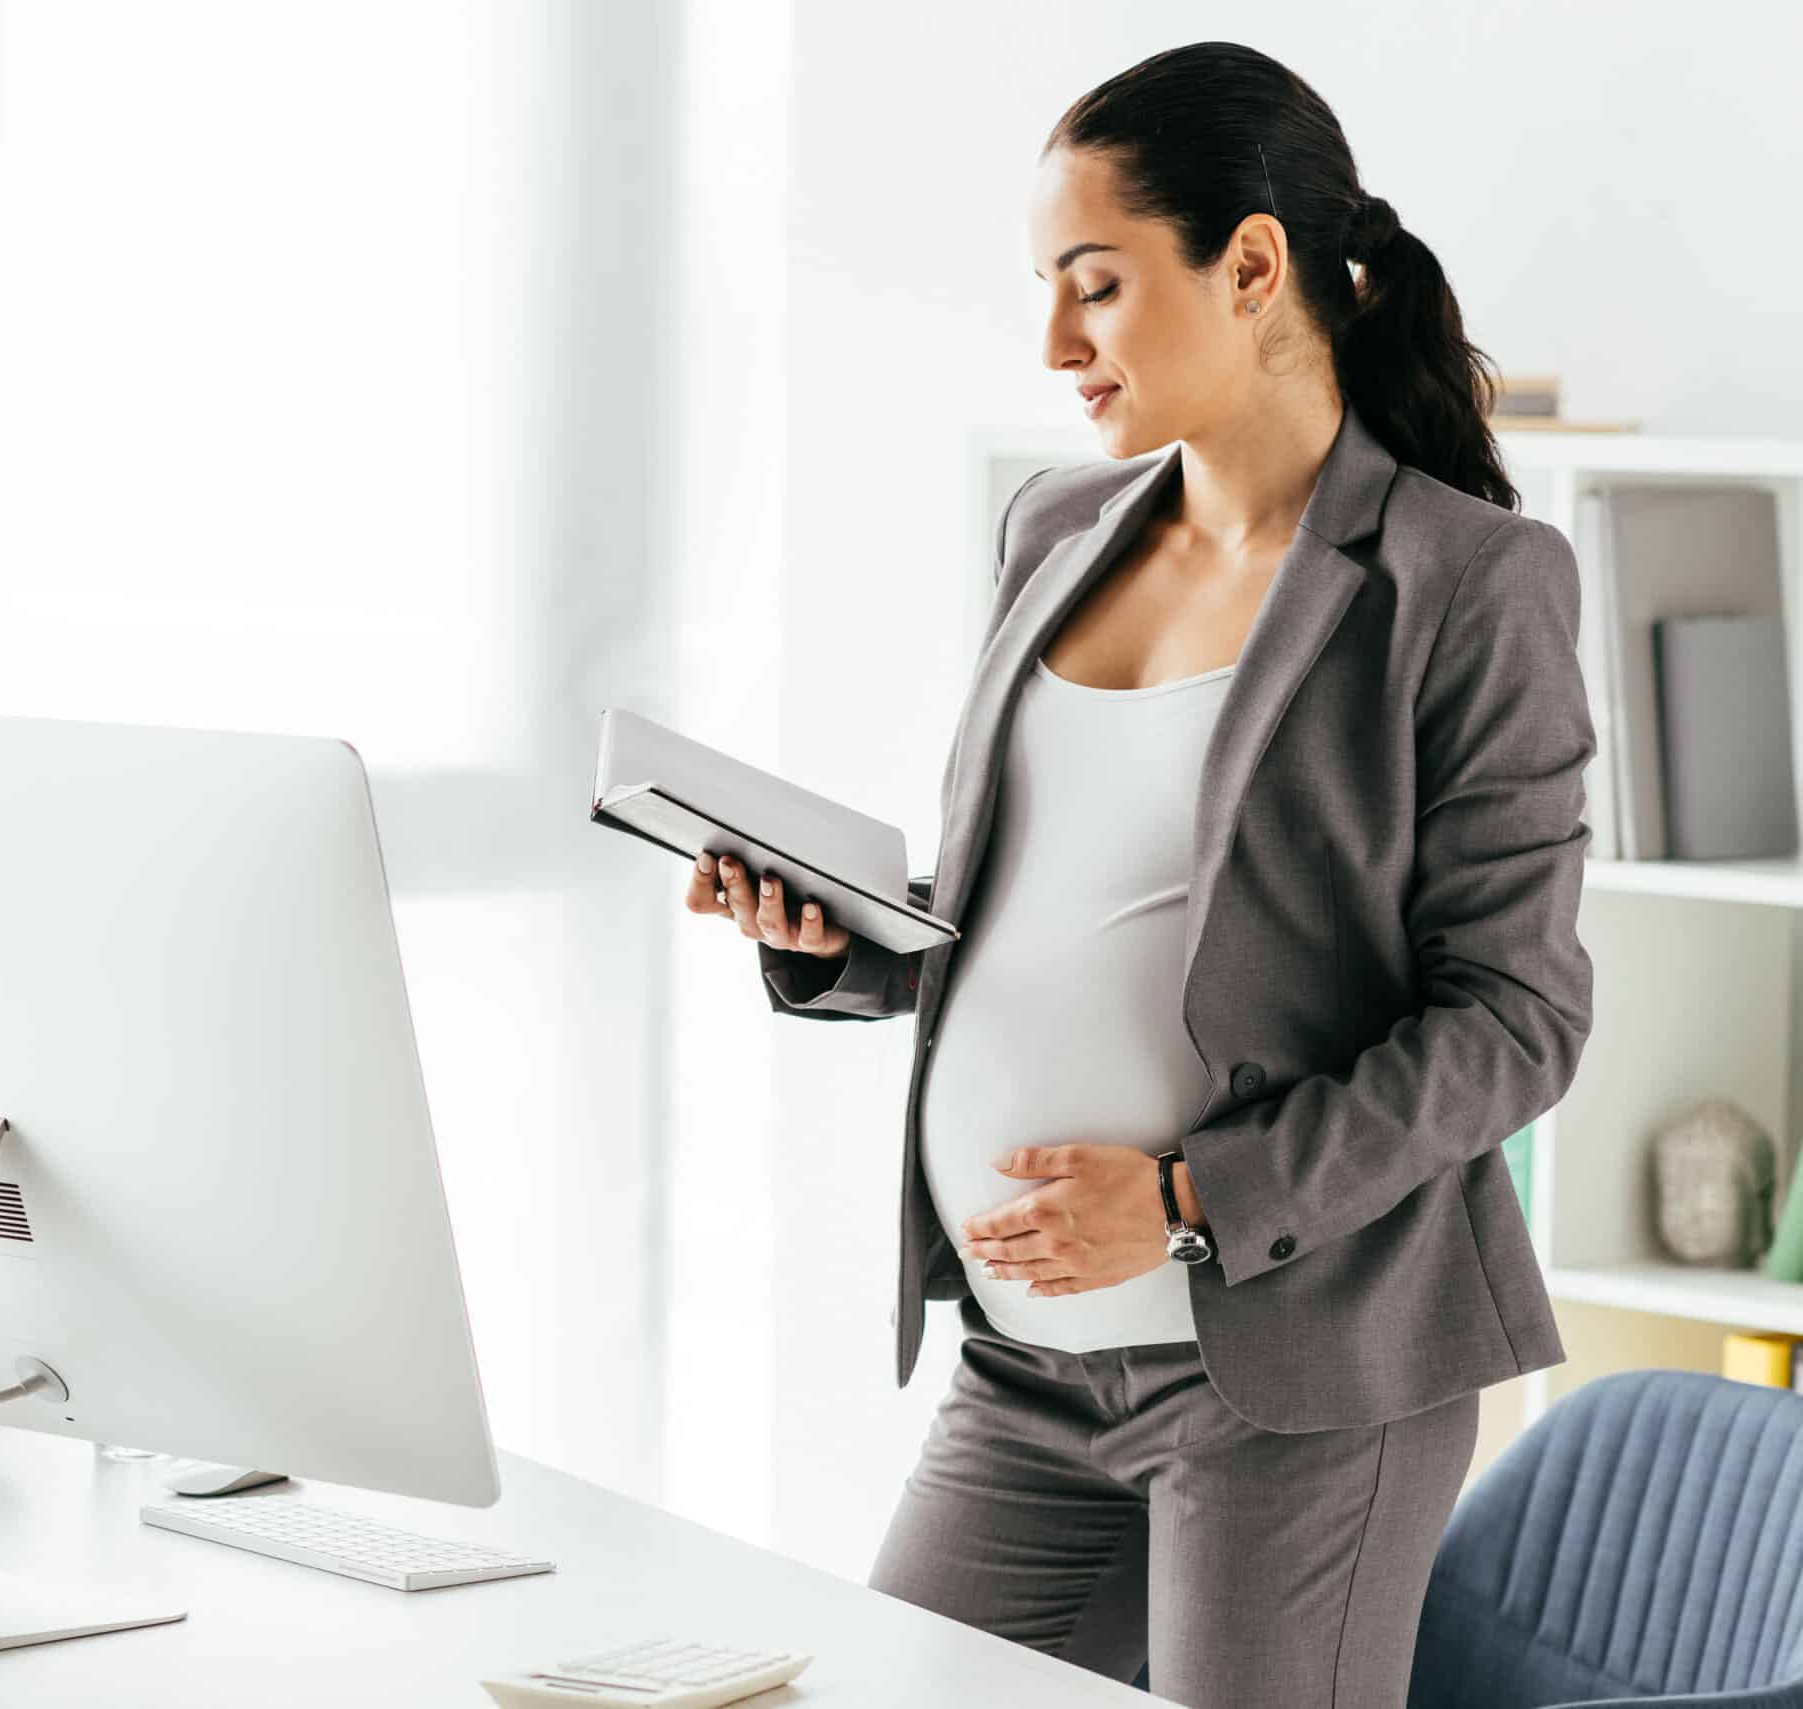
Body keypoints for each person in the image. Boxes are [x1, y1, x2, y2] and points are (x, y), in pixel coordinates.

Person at [682, 39, 1595, 1709]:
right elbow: (1030, 912)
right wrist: (838, 942)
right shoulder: (1056, 527)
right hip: (1025, 1367)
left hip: (1298, 1380)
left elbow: (1516, 1021)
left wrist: (1181, 1201)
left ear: (1252, 265)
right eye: (1045, 288)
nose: (1053, 343)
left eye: (1094, 286)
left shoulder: (1469, 581)